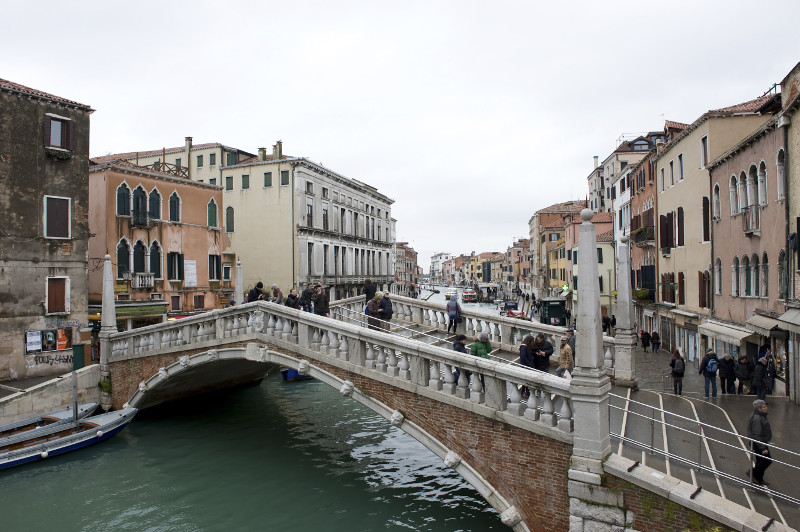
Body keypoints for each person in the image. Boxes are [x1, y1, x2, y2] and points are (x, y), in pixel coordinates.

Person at [746, 399, 772, 486]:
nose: (766, 408)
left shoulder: (761, 416)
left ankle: (759, 478)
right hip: (759, 443)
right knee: (767, 460)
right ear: (759, 408)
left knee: (761, 460)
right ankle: (753, 473)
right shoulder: (757, 418)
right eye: (764, 407)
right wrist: (763, 448)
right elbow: (756, 434)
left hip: (760, 442)